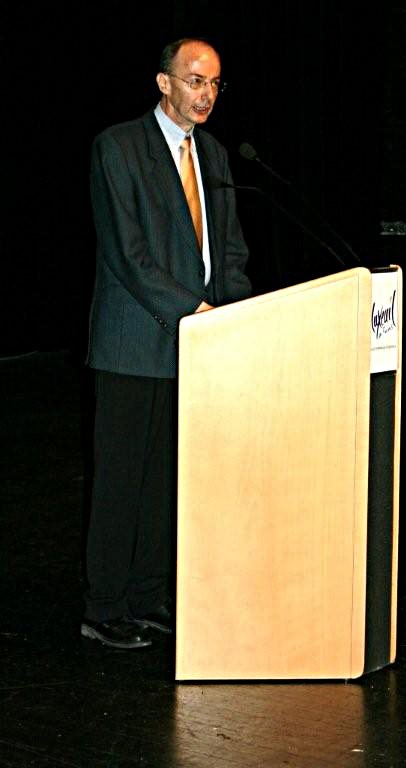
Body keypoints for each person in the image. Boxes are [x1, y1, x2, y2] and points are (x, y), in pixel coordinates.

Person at [81, 38, 251, 649]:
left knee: (167, 481)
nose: (206, 94)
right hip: (135, 340)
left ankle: (150, 596)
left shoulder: (216, 156)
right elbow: (130, 255)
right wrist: (195, 310)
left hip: (200, 343)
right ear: (163, 83)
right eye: (195, 80)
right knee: (123, 478)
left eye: (214, 84)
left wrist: (234, 317)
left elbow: (228, 251)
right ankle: (103, 608)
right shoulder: (118, 147)